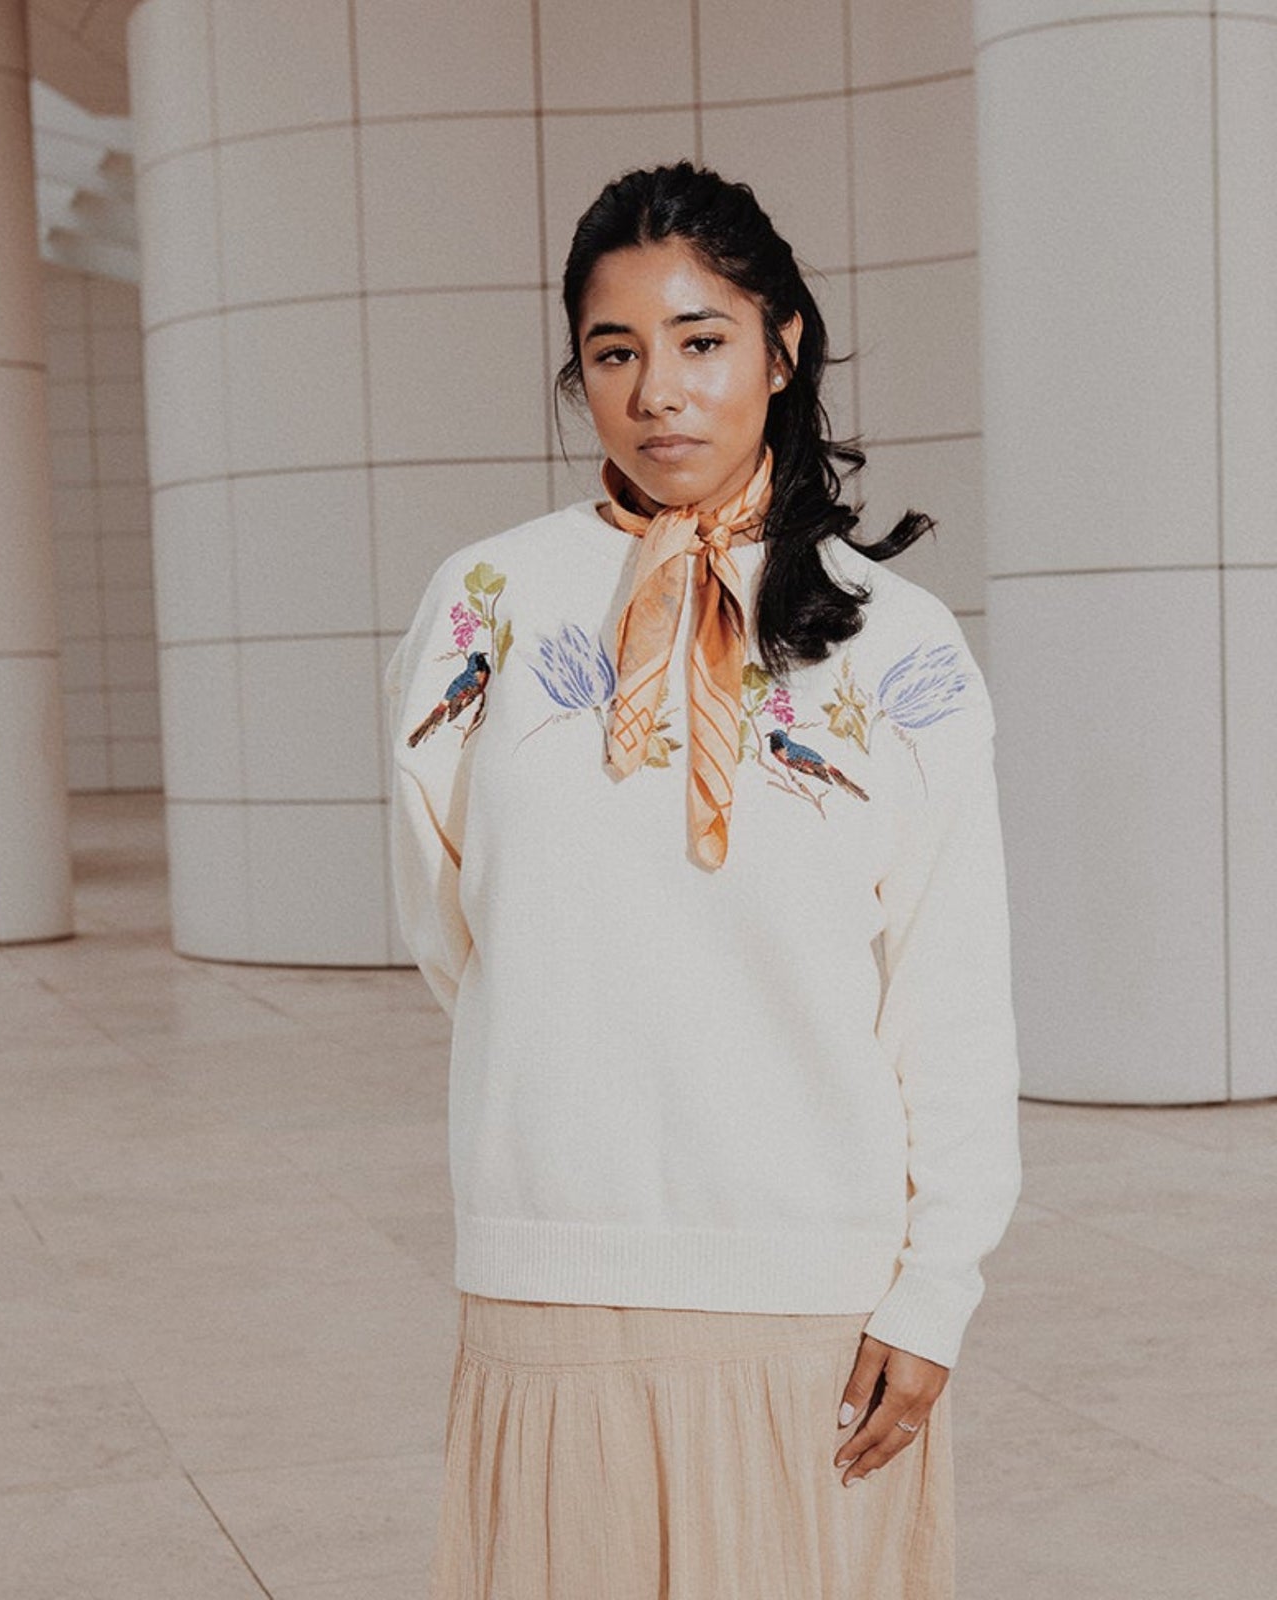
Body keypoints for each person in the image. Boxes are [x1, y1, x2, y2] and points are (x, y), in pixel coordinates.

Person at [384, 159, 1021, 1600]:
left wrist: (937, 1287)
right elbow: (449, 922)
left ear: (783, 345)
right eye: (615, 352)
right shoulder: (481, 602)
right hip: (551, 1271)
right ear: (580, 375)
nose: (659, 389)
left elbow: (950, 987)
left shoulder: (898, 645)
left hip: (812, 1289)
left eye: (701, 339)